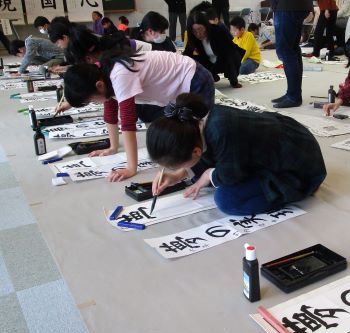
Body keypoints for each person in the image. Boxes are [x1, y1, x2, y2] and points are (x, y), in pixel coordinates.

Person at [147, 93, 327, 215]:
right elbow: (208, 156)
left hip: (299, 163)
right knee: (200, 178)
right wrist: (177, 175)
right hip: (278, 143)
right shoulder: (197, 123)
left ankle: (303, 187)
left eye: (178, 165)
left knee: (227, 199)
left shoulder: (223, 131)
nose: (178, 169)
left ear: (195, 151)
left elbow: (230, 174)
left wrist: (210, 174)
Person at [61, 50, 215, 182]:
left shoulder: (119, 75)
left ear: (99, 86)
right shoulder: (103, 77)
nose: (95, 103)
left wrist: (131, 168)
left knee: (200, 131)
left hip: (194, 78)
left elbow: (128, 123)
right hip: (177, 86)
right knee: (186, 131)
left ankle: (209, 173)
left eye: (92, 100)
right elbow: (110, 113)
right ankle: (197, 170)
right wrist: (112, 147)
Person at [271, 0, 314, 108]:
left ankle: (293, 96)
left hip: (286, 6)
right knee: (293, 49)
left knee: (286, 51)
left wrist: (275, 7)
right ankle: (293, 93)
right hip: (300, 6)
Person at [184, 11, 244, 88]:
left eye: (200, 29)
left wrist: (210, 73)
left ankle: (232, 79)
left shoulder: (218, 31)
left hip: (224, 59)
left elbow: (226, 54)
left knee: (233, 55)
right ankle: (213, 76)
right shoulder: (193, 36)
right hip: (209, 60)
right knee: (190, 60)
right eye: (194, 31)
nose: (198, 34)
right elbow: (187, 54)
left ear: (206, 26)